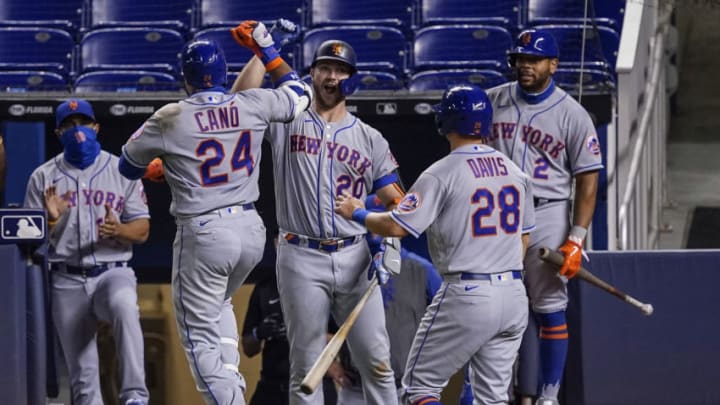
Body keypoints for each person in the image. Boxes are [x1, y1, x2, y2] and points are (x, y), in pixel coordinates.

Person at [117, 29, 312, 404]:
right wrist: (267, 49)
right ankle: (232, 389)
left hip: (205, 231)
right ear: (224, 73)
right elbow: (299, 94)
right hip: (250, 228)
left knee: (198, 334)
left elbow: (127, 165)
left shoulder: (170, 115)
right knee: (219, 306)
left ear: (185, 78)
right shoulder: (251, 104)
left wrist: (165, 163)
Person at [232, 25, 406, 405]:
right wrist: (262, 53)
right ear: (311, 74)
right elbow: (240, 102)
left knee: (376, 361)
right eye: (324, 68)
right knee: (305, 365)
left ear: (351, 79)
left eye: (340, 70)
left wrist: (389, 244)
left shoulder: (370, 138)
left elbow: (399, 203)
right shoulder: (287, 117)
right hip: (300, 255)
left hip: (355, 255)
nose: (331, 77)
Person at [335, 84, 536, 405]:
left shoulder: (443, 172)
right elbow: (524, 238)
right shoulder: (516, 172)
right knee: (493, 399)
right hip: (513, 293)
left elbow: (395, 227)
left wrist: (355, 212)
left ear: (446, 122)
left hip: (468, 290)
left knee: (419, 389)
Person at [486, 29, 603, 405]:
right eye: (520, 58)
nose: (525, 65)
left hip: (547, 211)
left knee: (549, 307)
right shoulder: (491, 102)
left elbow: (587, 183)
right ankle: (497, 393)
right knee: (497, 308)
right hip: (499, 215)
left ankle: (549, 397)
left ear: (553, 64)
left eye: (534, 60)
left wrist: (576, 238)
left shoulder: (573, 114)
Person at [23, 98, 150, 405]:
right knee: (83, 376)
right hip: (66, 278)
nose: (77, 130)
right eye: (69, 125)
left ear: (96, 127)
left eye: (82, 123)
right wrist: (49, 219)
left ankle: (134, 396)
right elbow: (28, 243)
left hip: (113, 271)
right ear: (58, 133)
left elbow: (143, 230)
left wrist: (119, 230)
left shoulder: (121, 169)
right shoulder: (43, 176)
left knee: (124, 306)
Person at [327, 195, 442, 405]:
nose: (376, 229)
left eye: (383, 220)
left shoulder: (421, 270)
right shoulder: (342, 266)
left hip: (405, 388)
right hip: (355, 389)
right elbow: (318, 326)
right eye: (372, 220)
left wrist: (431, 371)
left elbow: (449, 320)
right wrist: (331, 366)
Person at [242, 233, 338, 405]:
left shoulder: (324, 285)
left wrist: (304, 333)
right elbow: (248, 348)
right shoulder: (264, 288)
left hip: (314, 383)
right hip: (273, 386)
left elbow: (343, 341)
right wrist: (259, 333)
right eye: (283, 242)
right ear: (275, 244)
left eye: (293, 242)